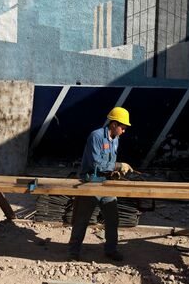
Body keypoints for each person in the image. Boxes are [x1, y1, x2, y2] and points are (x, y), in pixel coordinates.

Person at [68, 106, 134, 262]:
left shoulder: (116, 139)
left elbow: (108, 163)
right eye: (122, 127)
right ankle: (73, 252)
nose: (124, 131)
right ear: (113, 124)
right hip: (90, 182)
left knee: (112, 218)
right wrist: (118, 166)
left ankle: (111, 250)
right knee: (82, 219)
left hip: (106, 183)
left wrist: (115, 172)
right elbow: (97, 163)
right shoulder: (96, 136)